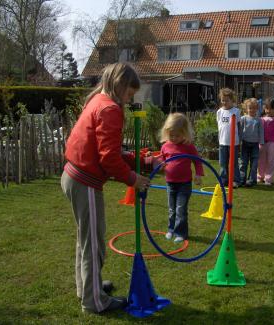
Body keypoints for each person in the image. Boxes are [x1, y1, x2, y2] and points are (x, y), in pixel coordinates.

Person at [60, 63, 151, 314]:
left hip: (73, 176)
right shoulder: (110, 108)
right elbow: (108, 159)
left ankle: (88, 289)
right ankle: (94, 301)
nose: (129, 99)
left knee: (85, 240)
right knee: (93, 244)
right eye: (130, 94)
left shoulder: (98, 100)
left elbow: (108, 150)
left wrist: (138, 160)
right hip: (84, 182)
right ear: (120, 85)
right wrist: (133, 179)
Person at [159, 113, 204, 243]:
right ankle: (171, 229)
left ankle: (181, 233)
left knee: (180, 209)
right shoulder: (165, 146)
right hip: (170, 183)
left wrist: (198, 174)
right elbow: (162, 159)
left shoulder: (188, 146)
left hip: (184, 184)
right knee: (172, 209)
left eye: (177, 135)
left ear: (184, 133)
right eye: (171, 135)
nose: (174, 138)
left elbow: (197, 161)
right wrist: (161, 165)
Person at [216, 88, 241, 188]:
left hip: (233, 142)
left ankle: (235, 180)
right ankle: (223, 180)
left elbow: (239, 126)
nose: (225, 102)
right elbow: (220, 126)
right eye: (223, 100)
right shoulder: (219, 112)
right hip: (222, 142)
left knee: (234, 163)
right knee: (223, 163)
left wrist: (240, 140)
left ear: (232, 100)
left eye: (227, 100)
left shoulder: (236, 111)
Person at [257, 98, 274, 186]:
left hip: (273, 143)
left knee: (271, 161)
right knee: (261, 160)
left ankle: (268, 178)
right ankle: (260, 176)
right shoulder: (261, 119)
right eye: (267, 108)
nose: (269, 111)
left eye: (271, 109)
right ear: (264, 109)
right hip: (261, 143)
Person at [239, 98, 264, 187]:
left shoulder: (259, 120)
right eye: (250, 108)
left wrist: (261, 142)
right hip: (245, 143)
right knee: (243, 162)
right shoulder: (243, 119)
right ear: (246, 108)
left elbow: (261, 131)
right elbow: (240, 130)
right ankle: (242, 179)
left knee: (254, 163)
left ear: (257, 108)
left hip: (255, 145)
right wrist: (239, 141)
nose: (252, 110)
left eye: (254, 108)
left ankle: (251, 180)